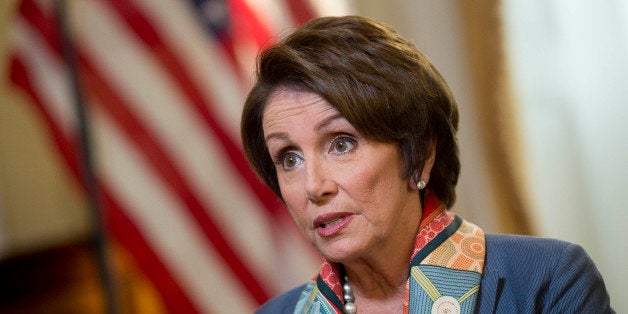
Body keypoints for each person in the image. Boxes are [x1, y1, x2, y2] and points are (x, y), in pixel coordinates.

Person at [241, 15, 612, 313]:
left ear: (419, 154)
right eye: (289, 158)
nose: (312, 185)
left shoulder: (546, 281)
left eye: (341, 144)